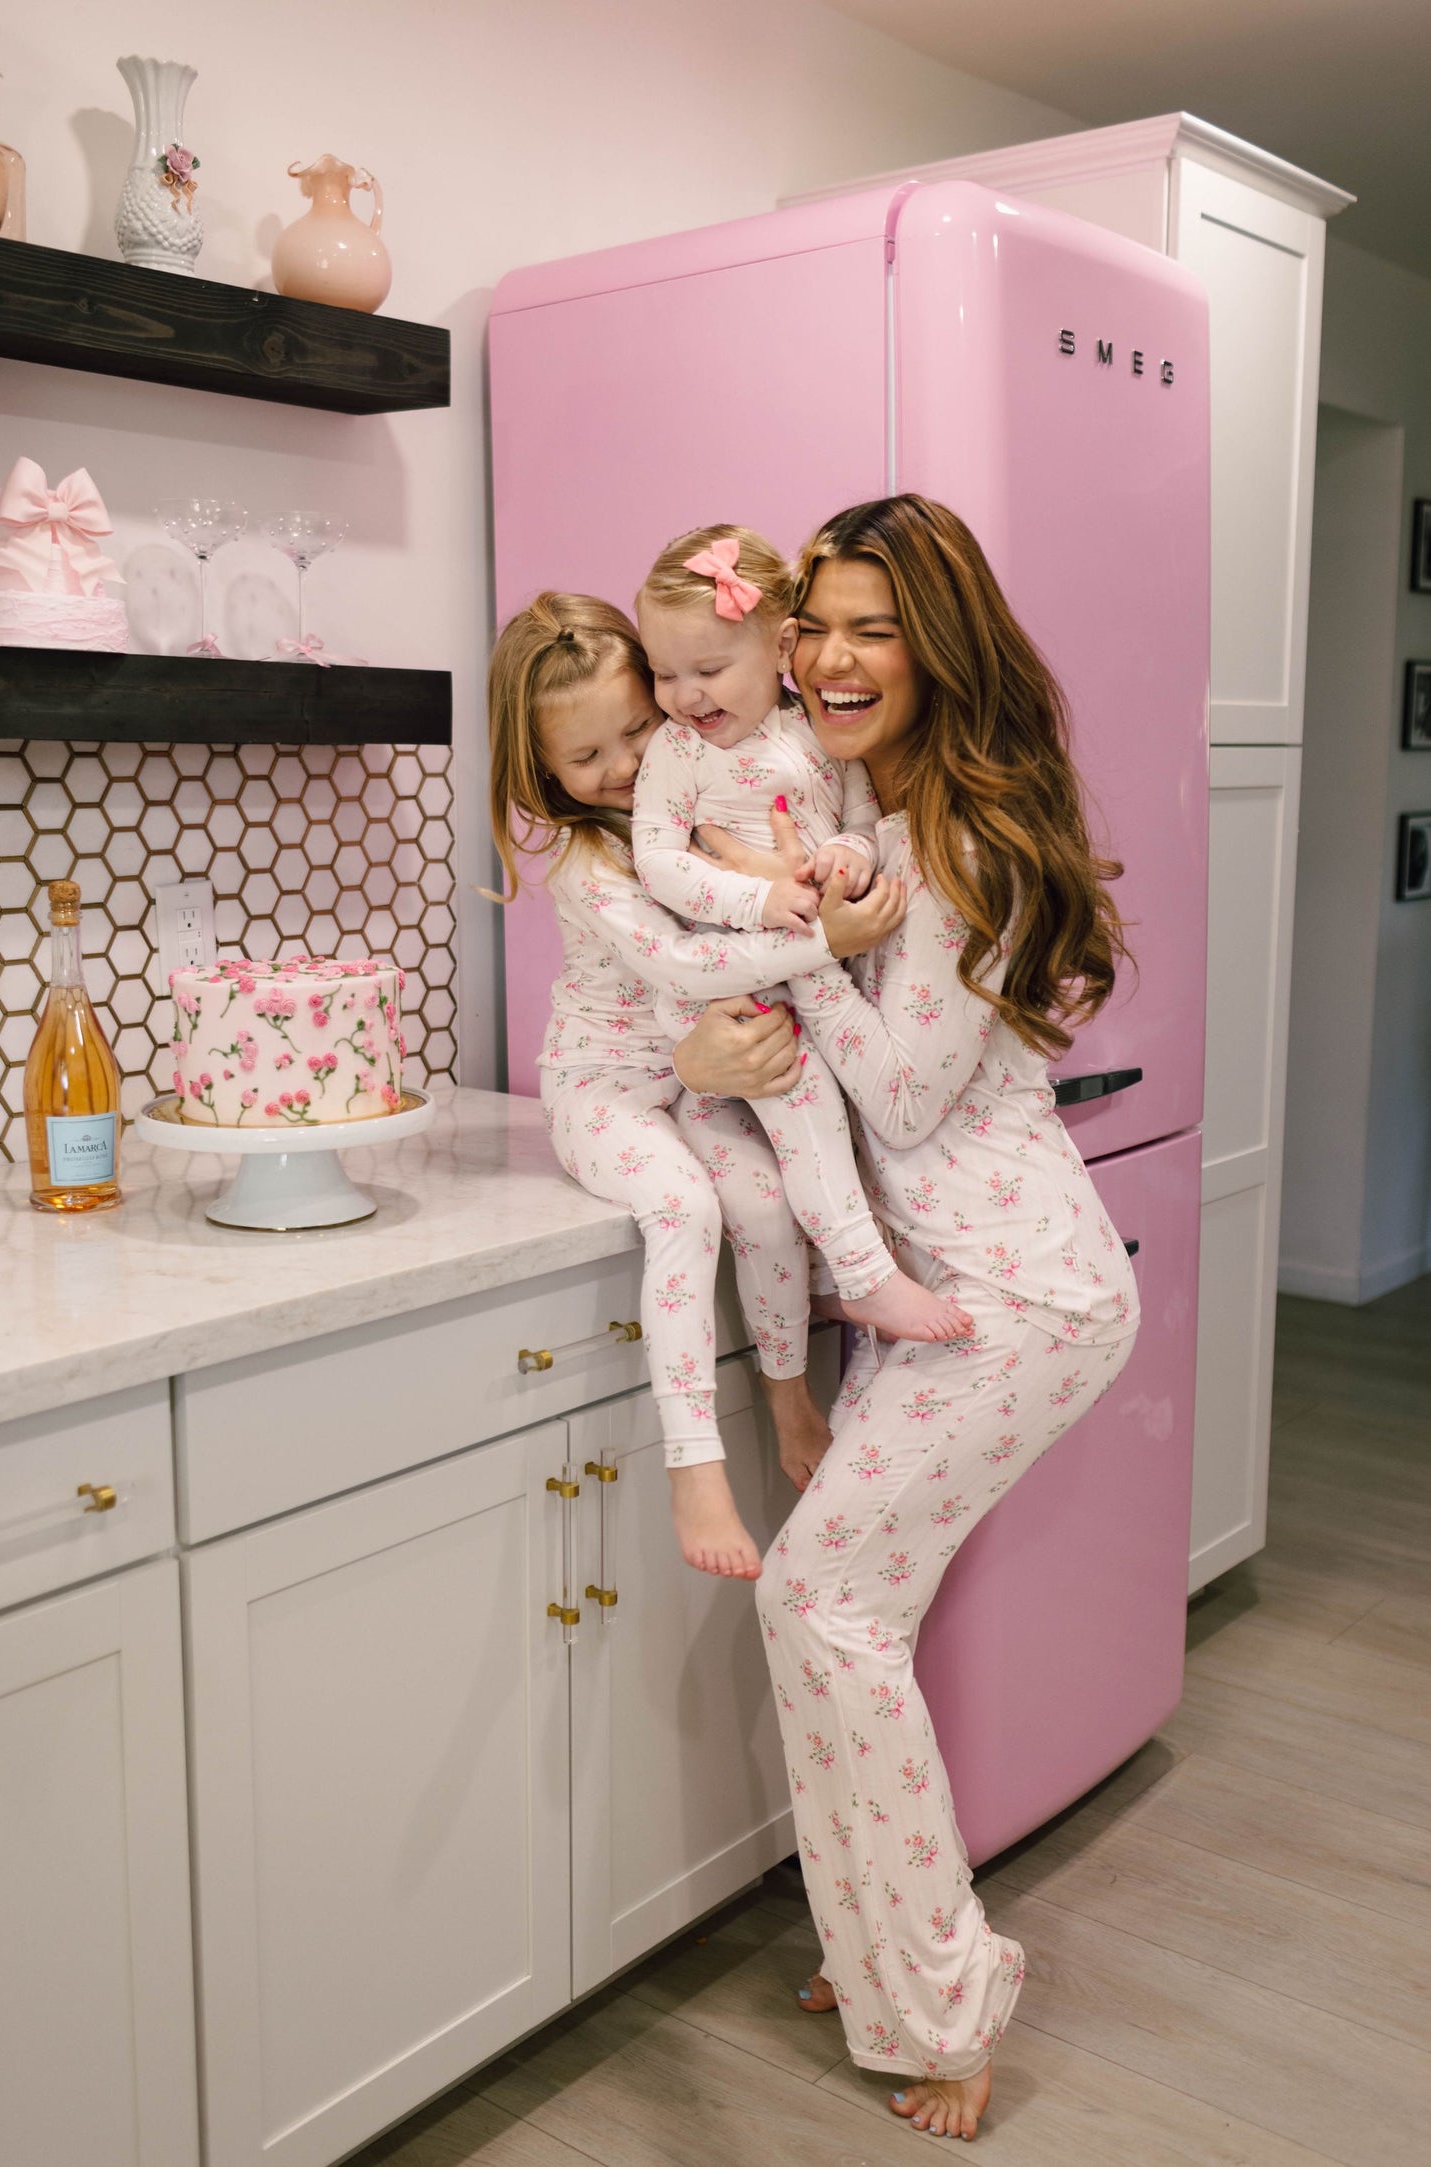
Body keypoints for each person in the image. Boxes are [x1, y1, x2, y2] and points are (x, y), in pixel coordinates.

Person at [705, 495, 1140, 2141]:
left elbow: (894, 1099)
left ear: (937, 646)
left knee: (826, 1607)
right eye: (814, 618)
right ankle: (877, 1943)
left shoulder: (959, 838)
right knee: (827, 1612)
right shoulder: (880, 803)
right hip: (953, 1297)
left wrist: (796, 942)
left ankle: (942, 2006)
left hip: (1019, 1301)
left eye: (870, 625)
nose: (825, 654)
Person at [485, 591, 951, 1580]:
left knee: (766, 1199)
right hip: (606, 1088)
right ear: (540, 773)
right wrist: (831, 936)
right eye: (584, 758)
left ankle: (786, 1397)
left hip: (700, 1070)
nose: (618, 767)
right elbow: (685, 968)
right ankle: (692, 1464)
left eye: (633, 730)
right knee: (686, 1208)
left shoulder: (692, 794)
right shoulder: (585, 858)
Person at [633, 523, 966, 1351]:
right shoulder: (676, 752)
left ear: (779, 646)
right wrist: (759, 898)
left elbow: (857, 818)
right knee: (806, 1108)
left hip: (808, 963)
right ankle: (862, 1276)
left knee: (832, 1125)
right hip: (732, 975)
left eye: (708, 670)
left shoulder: (817, 730)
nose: (685, 695)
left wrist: (846, 859)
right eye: (663, 673)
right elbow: (658, 862)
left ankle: (826, 1279)